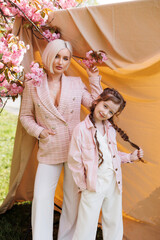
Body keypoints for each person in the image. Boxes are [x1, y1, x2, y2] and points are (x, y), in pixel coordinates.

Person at [20, 39, 102, 240]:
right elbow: (25, 116)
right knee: (41, 197)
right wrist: (39, 132)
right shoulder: (33, 84)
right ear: (49, 55)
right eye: (57, 56)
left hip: (76, 148)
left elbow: (96, 107)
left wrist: (93, 79)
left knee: (72, 199)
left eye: (66, 58)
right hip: (50, 148)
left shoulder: (75, 83)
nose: (60, 62)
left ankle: (67, 237)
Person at [68, 88, 144, 240]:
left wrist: (130, 156)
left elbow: (112, 155)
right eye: (105, 106)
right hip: (93, 185)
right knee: (86, 226)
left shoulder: (110, 129)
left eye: (111, 112)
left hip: (113, 182)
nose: (106, 112)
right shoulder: (81, 130)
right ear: (97, 102)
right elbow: (74, 161)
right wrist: (83, 185)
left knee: (113, 223)